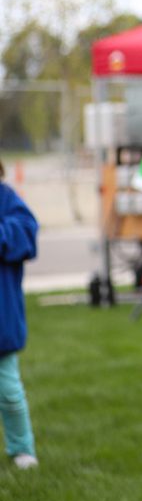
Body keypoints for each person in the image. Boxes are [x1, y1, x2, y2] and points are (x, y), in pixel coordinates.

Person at [0, 159, 38, 470]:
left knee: (9, 392)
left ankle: (21, 447)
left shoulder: (6, 198)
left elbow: (26, 233)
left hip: (2, 319)